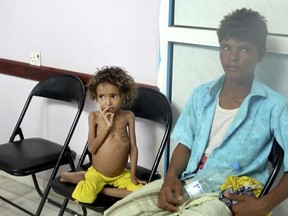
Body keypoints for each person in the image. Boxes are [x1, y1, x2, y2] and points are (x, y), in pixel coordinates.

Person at [104, 8, 288, 216]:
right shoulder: (202, 95)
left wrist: (264, 204)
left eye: (244, 49)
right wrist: (170, 177)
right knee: (117, 213)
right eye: (226, 47)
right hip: (189, 181)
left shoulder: (274, 106)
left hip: (230, 192)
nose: (233, 57)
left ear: (261, 54)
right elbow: (185, 145)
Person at [60, 66, 146, 204]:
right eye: (102, 97)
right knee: (86, 198)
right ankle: (87, 179)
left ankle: (95, 186)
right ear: (96, 96)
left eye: (113, 96)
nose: (107, 102)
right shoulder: (93, 117)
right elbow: (92, 149)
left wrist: (133, 175)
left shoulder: (128, 116)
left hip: (120, 174)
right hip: (98, 173)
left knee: (141, 193)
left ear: (124, 95)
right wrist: (107, 126)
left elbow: (133, 148)